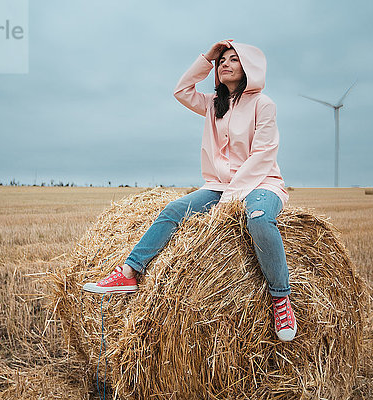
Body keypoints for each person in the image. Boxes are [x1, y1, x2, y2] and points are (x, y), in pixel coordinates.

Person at [83, 40, 296, 342]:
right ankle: (129, 273)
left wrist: (232, 199)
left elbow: (262, 155)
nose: (225, 63)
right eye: (221, 60)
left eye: (233, 59)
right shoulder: (213, 105)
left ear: (249, 67)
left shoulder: (264, 104)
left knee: (259, 219)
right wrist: (206, 57)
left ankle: (280, 298)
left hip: (262, 183)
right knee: (172, 211)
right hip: (218, 187)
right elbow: (181, 90)